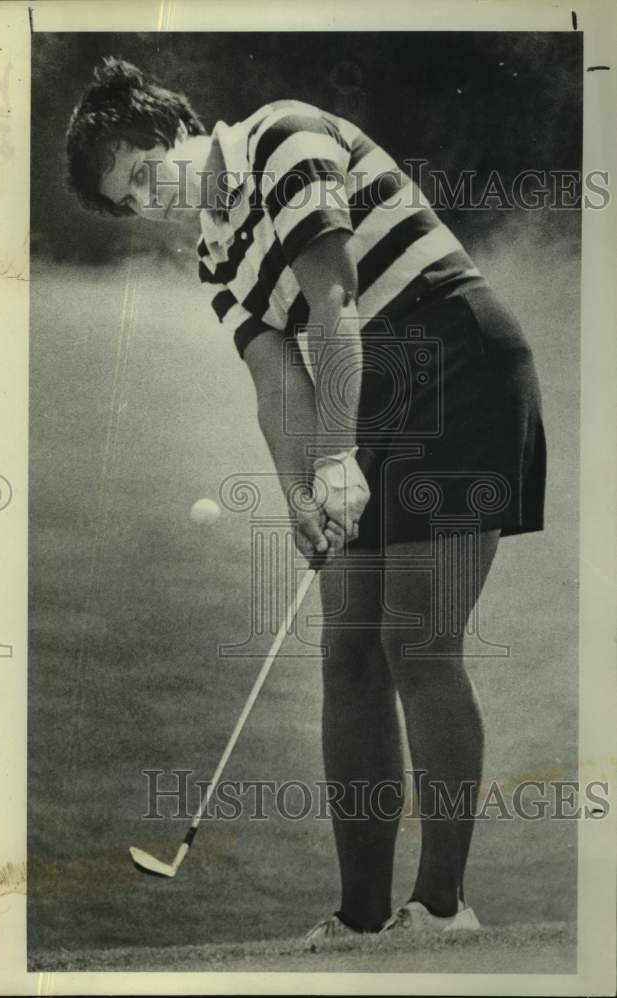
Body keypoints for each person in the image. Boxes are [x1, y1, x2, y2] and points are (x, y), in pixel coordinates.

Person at [65, 57, 547, 946]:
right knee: (347, 649)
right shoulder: (215, 248)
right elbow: (272, 374)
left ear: (170, 126)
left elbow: (334, 299)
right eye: (131, 201)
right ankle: (361, 917)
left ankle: (441, 907)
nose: (150, 200)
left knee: (416, 639)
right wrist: (301, 493)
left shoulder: (283, 137)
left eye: (141, 173)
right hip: (359, 389)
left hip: (453, 366)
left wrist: (336, 453)